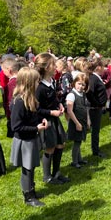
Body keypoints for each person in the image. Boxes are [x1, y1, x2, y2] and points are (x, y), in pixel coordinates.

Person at [10, 67, 48, 207]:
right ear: (29, 82)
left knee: (31, 167)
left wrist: (41, 120)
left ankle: (31, 190)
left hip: (31, 138)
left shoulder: (30, 98)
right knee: (27, 168)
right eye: (37, 81)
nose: (39, 83)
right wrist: (35, 128)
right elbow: (16, 126)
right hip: (24, 140)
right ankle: (28, 196)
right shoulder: (19, 102)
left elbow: (34, 115)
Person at [35, 52, 70, 184]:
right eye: (53, 64)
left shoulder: (52, 81)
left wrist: (59, 104)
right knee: (50, 147)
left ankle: (57, 173)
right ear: (45, 67)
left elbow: (54, 98)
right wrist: (51, 112)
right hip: (46, 120)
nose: (55, 66)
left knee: (61, 144)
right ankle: (47, 176)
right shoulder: (39, 87)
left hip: (54, 118)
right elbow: (37, 109)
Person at [66, 73, 89, 168]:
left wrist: (88, 120)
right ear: (74, 83)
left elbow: (85, 107)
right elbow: (70, 111)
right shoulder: (72, 95)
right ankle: (74, 161)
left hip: (82, 121)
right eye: (79, 83)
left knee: (79, 141)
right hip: (76, 122)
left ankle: (79, 159)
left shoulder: (83, 94)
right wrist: (77, 123)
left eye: (83, 84)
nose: (81, 86)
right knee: (77, 142)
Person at [85, 59, 108, 157]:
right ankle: (95, 150)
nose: (104, 69)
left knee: (96, 130)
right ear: (98, 67)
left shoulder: (96, 77)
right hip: (94, 109)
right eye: (103, 66)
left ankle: (96, 148)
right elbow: (89, 92)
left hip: (97, 108)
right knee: (95, 130)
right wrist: (97, 104)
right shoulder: (93, 78)